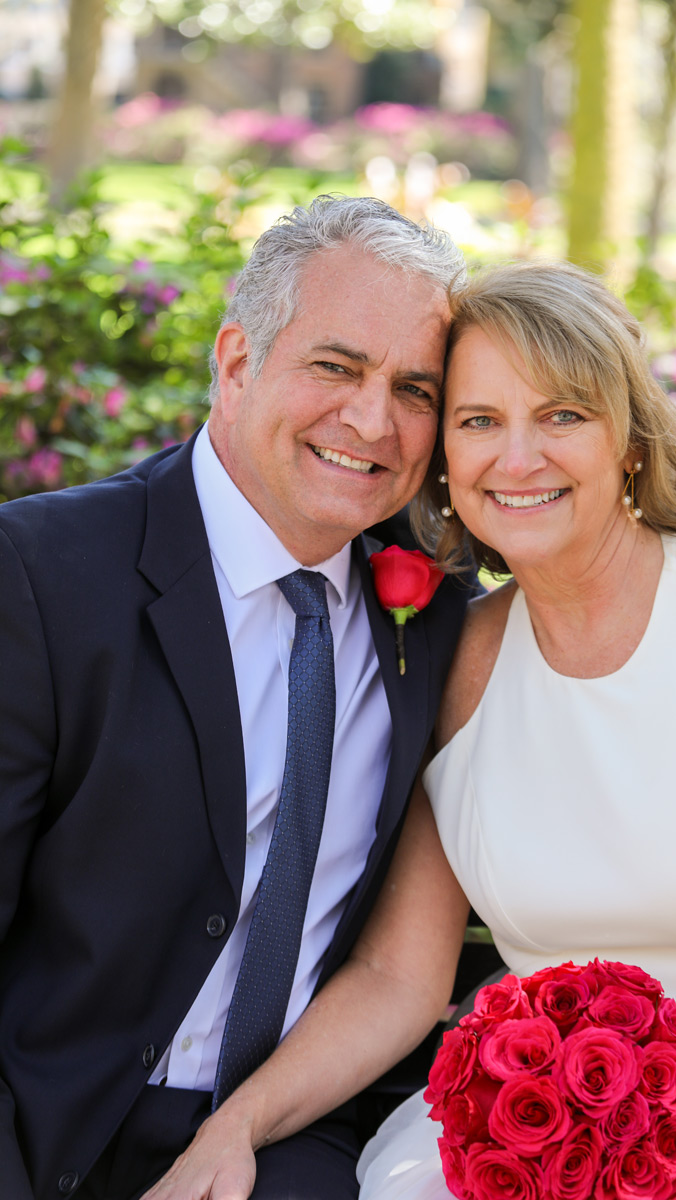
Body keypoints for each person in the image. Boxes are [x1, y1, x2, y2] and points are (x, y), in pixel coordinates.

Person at [147, 259, 676, 1200]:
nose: (517, 458)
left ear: (628, 438)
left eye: (562, 416)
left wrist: (643, 1099)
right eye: (480, 421)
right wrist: (235, 1128)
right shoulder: (456, 662)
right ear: (444, 454)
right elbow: (397, 980)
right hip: (542, 1130)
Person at [0, 194, 472, 1200]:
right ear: (236, 359)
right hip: (40, 1124)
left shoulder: (437, 616)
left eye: (414, 389)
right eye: (335, 367)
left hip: (282, 1139)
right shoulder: (42, 576)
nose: (371, 421)